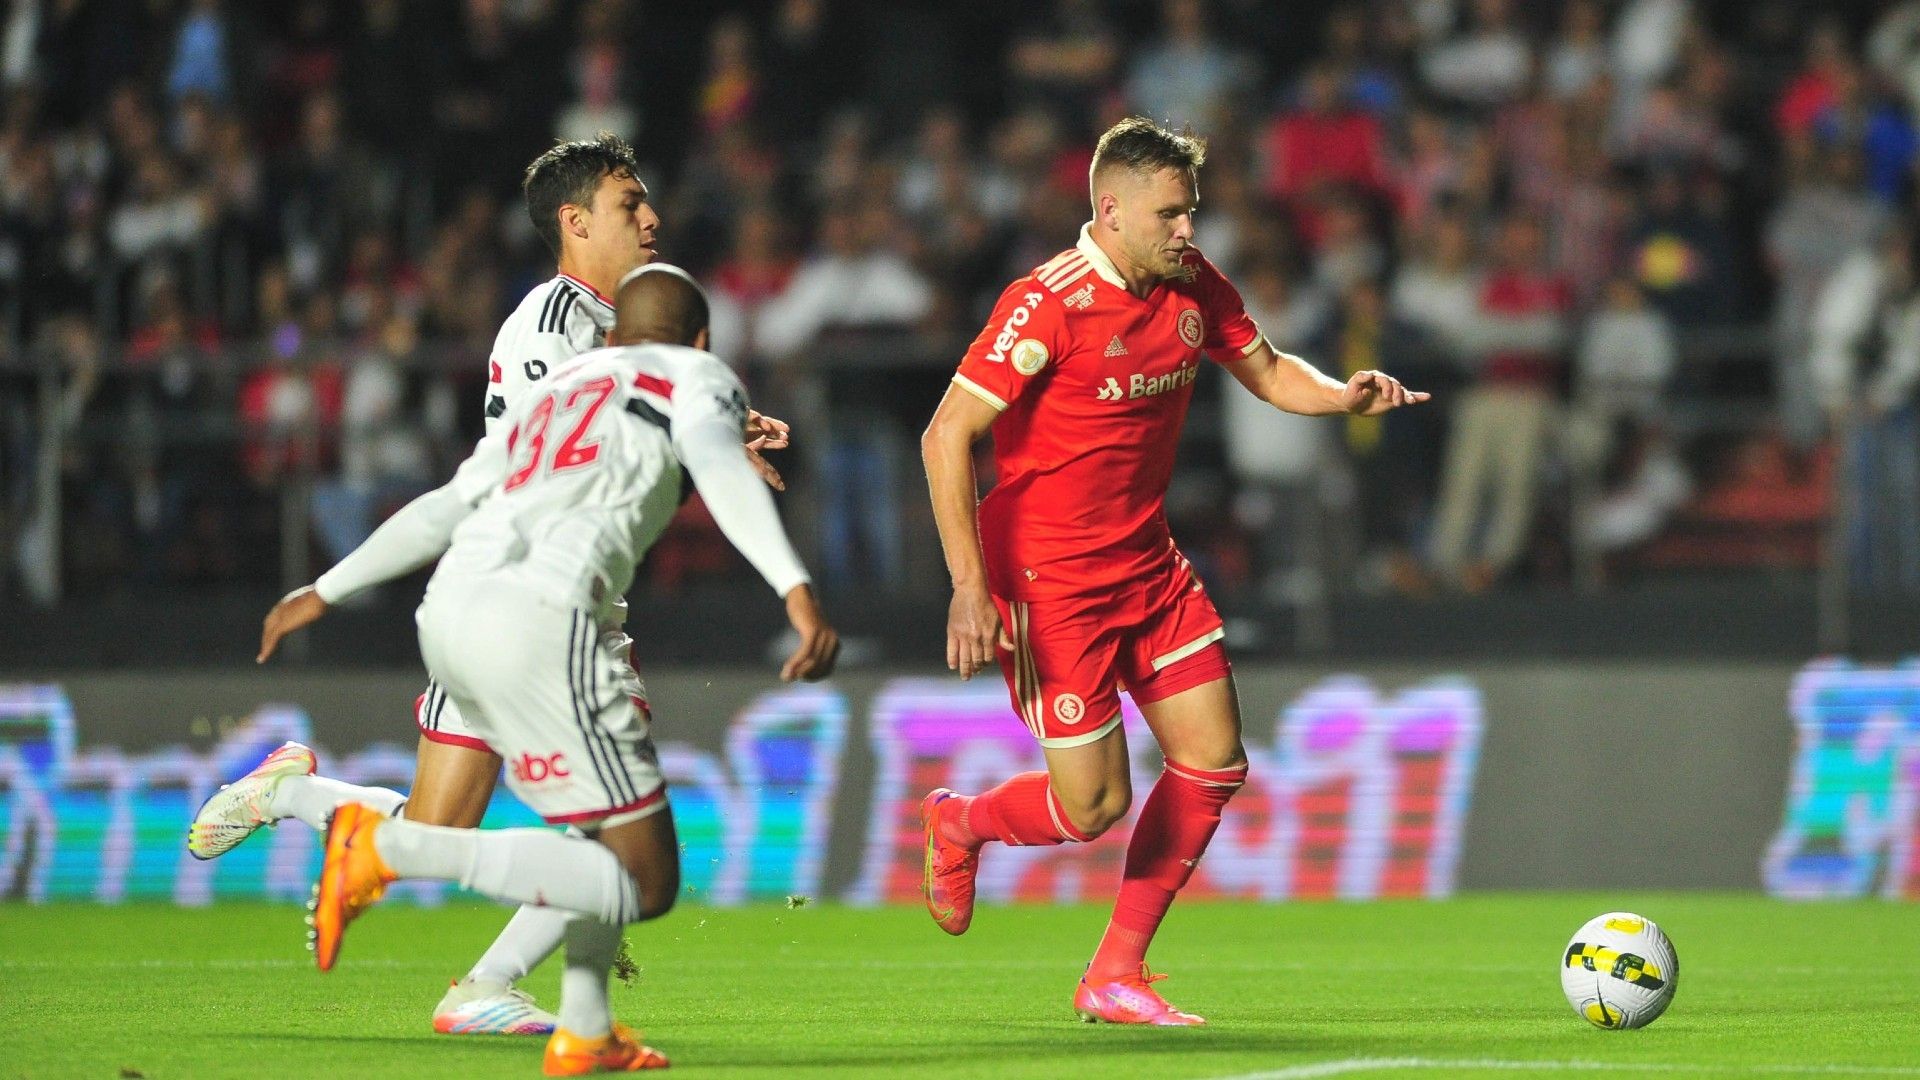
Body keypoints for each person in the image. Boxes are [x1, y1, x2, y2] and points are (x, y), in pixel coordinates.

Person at [187, 134, 788, 1035]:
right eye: (631, 204)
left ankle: (289, 793)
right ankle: (488, 990)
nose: (652, 218)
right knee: (615, 841)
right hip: (535, 603)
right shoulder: (550, 328)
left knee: (440, 832)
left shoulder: (615, 322)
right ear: (575, 222)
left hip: (537, 594)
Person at [259, 264, 839, 1073]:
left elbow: (447, 504)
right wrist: (796, 588)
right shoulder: (695, 373)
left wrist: (324, 588)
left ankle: (585, 1027)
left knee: (598, 832)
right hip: (544, 622)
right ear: (700, 341)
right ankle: (385, 850)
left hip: (453, 609)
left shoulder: (566, 391)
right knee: (640, 876)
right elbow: (719, 472)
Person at [918, 117, 1427, 1025]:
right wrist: (967, 585)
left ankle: (1115, 973)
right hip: (1049, 583)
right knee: (1093, 806)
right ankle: (960, 821)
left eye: (1191, 211)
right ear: (1109, 211)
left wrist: (1341, 391)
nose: (1188, 230)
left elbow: (1269, 372)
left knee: (1214, 760)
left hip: (1148, 567)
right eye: (1170, 214)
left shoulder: (1192, 283)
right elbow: (946, 433)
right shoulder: (1048, 302)